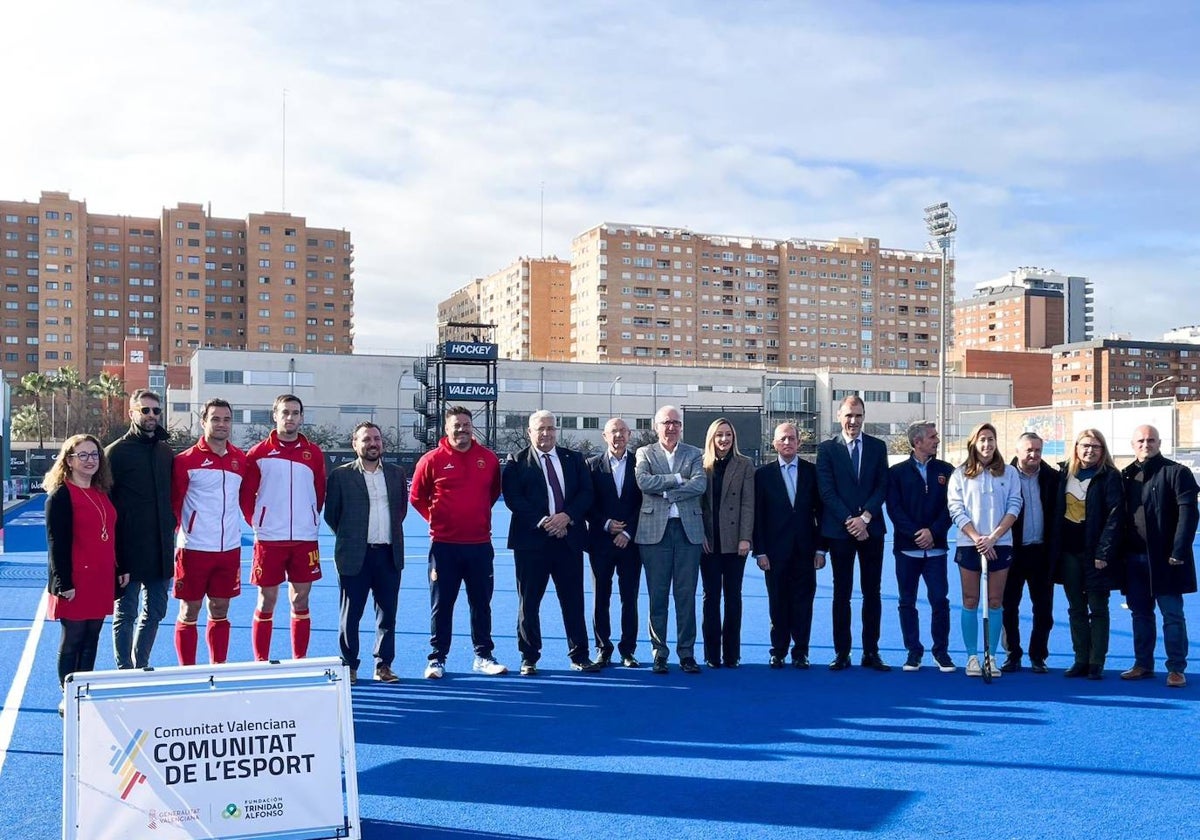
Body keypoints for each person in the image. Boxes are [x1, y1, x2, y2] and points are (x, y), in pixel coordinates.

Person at [409, 406, 507, 679]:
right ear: (446, 429)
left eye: (466, 424)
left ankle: (483, 655)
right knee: (442, 604)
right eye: (456, 425)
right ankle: (437, 658)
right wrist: (437, 519)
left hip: (479, 545)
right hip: (444, 546)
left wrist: (474, 517)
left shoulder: (487, 459)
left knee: (481, 603)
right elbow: (416, 496)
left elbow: (492, 493)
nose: (462, 429)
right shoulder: (431, 459)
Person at [503, 410, 596, 675]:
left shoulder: (574, 459)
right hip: (531, 544)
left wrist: (567, 517)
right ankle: (529, 657)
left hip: (568, 540)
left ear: (557, 431)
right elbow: (514, 499)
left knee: (573, 601)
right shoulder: (516, 461)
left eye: (550, 428)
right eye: (540, 428)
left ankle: (580, 655)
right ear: (529, 432)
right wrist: (546, 522)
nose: (546, 433)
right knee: (529, 602)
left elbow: (586, 493)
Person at [45, 435, 129, 715]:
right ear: (68, 460)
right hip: (75, 579)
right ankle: (67, 693)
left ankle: (84, 689)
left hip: (101, 577)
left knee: (93, 636)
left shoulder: (102, 492)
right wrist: (62, 582)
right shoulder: (61, 495)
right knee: (73, 637)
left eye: (94, 454)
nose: (90, 459)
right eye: (82, 455)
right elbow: (56, 542)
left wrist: (120, 568)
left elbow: (112, 536)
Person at [239, 394, 326, 661]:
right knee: (266, 601)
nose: (290, 417)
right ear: (275, 415)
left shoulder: (314, 453)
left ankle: (299, 660)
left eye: (295, 412)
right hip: (269, 540)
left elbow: (319, 492)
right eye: (285, 412)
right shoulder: (258, 453)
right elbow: (245, 496)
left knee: (301, 600)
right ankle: (261, 661)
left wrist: (309, 519)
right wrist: (260, 523)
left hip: (304, 539)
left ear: (301, 417)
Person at [324, 422, 409, 685]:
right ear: (355, 444)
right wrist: (353, 538)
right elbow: (332, 515)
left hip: (388, 555)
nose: (373, 444)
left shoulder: (396, 474)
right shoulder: (341, 475)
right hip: (354, 556)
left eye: (377, 439)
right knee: (351, 615)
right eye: (366, 439)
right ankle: (349, 665)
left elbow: (401, 512)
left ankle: (383, 665)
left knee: (387, 614)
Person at [816, 395, 891, 671]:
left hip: (872, 531)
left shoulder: (877, 447)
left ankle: (871, 651)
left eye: (858, 415)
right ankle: (842, 653)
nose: (853, 421)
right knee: (841, 593)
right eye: (849, 415)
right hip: (840, 531)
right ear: (839, 416)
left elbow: (882, 485)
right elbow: (826, 491)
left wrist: (866, 518)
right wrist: (851, 520)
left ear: (864, 417)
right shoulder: (827, 450)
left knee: (873, 592)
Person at [1120, 425, 1197, 688]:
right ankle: (1143, 664)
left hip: (1166, 560)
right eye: (1140, 440)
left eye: (1151, 440)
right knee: (1140, 615)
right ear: (1132, 444)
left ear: (1159, 442)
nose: (1146, 444)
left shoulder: (1177, 473)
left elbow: (1188, 515)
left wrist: (1179, 551)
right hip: (1134, 559)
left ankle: (1176, 668)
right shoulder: (1126, 476)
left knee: (1172, 615)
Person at [170, 398, 246, 666]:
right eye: (215, 418)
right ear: (203, 422)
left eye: (226, 419)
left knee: (220, 609)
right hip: (194, 550)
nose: (222, 424)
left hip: (229, 550)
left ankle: (218, 668)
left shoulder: (240, 459)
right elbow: (174, 504)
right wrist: (186, 534)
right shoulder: (185, 461)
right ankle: (187, 671)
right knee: (190, 610)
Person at [106, 388, 175, 669]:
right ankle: (124, 669)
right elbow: (107, 505)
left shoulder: (166, 452)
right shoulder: (116, 453)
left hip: (160, 549)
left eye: (155, 411)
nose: (150, 415)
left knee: (156, 611)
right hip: (129, 550)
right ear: (132, 412)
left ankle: (141, 663)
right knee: (126, 612)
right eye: (144, 410)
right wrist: (115, 555)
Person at [634, 405, 707, 675]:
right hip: (654, 534)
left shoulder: (694, 453)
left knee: (686, 595)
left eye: (676, 422)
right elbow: (643, 481)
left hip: (688, 532)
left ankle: (686, 653)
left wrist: (668, 493)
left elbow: (700, 484)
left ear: (681, 426)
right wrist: (677, 479)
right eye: (666, 422)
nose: (671, 427)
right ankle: (659, 653)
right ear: (657, 426)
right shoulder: (644, 453)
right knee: (658, 596)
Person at [947, 422, 1022, 679]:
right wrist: (978, 538)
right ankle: (972, 656)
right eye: (982, 440)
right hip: (970, 544)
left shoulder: (1009, 473)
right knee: (970, 600)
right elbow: (956, 510)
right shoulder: (960, 474)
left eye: (991, 439)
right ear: (973, 443)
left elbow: (1014, 505)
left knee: (995, 601)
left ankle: (991, 656)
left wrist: (993, 538)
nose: (987, 444)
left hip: (1000, 544)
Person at [1052, 428, 1123, 679]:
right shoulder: (1063, 473)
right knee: (1076, 608)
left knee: (1098, 607)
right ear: (1076, 447)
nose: (1090, 450)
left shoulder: (1110, 477)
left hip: (1096, 554)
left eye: (1095, 447)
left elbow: (1115, 518)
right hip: (1068, 553)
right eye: (1085, 445)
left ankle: (1096, 662)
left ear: (1102, 450)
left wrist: (1103, 552)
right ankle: (1080, 658)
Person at [753, 422, 825, 669]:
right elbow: (758, 516)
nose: (787, 443)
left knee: (803, 603)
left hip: (806, 551)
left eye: (791, 439)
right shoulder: (762, 475)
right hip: (774, 553)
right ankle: (779, 650)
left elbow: (821, 512)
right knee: (778, 602)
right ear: (774, 443)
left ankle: (801, 651)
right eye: (782, 439)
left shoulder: (812, 472)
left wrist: (820, 549)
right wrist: (759, 551)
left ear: (798, 443)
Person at [886, 422, 956, 673]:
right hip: (907, 550)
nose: (937, 440)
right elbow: (894, 510)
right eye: (932, 437)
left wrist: (933, 532)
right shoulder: (896, 473)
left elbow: (951, 508)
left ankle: (942, 652)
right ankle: (913, 652)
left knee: (940, 600)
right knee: (907, 601)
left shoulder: (947, 471)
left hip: (936, 551)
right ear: (917, 442)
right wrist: (916, 534)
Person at [585, 417, 644, 668]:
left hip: (631, 544)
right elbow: (586, 503)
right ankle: (603, 647)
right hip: (600, 542)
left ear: (629, 435)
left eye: (622, 431)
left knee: (629, 597)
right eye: (613, 432)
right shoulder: (591, 466)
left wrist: (628, 531)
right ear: (604, 436)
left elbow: (645, 503)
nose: (618, 436)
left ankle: (628, 650)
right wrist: (606, 524)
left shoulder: (641, 464)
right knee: (601, 597)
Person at [1000, 432, 1059, 673]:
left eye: (1037, 450)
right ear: (1017, 451)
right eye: (1028, 450)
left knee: (1043, 609)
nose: (1033, 455)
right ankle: (1012, 654)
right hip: (1012, 553)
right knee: (1008, 607)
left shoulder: (1053, 478)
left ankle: (1038, 656)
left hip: (1042, 553)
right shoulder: (1003, 477)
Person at [699, 418, 754, 668]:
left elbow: (747, 503)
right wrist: (700, 535)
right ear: (712, 438)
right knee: (710, 597)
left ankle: (732, 654)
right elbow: (696, 505)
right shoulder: (700, 464)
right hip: (708, 544)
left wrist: (745, 537)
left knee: (733, 597)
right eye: (719, 435)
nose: (724, 440)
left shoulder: (745, 465)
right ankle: (711, 655)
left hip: (735, 543)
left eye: (728, 435)